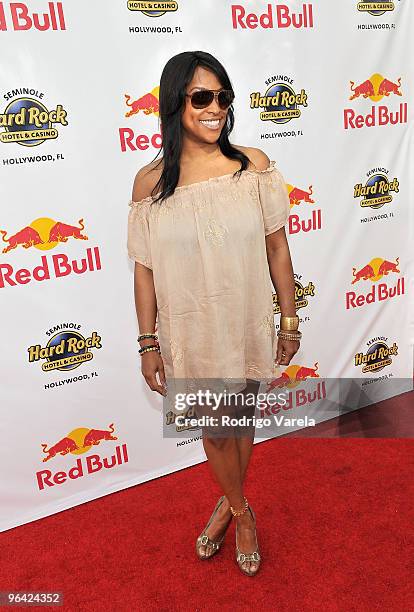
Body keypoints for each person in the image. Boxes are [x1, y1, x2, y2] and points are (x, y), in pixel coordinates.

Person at [127, 50, 300, 576]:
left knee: (240, 420)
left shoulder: (254, 168)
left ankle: (227, 504)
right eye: (202, 97)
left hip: (245, 321)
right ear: (174, 104)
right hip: (192, 331)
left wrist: (288, 320)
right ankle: (243, 511)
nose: (215, 108)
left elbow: (278, 249)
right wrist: (147, 342)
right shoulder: (149, 184)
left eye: (223, 97)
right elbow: (145, 271)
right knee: (218, 429)